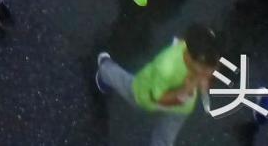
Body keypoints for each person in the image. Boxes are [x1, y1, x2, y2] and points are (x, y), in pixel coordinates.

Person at [93, 24, 225, 146]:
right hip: (146, 94)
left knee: (166, 135)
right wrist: (185, 92)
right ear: (191, 58)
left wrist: (205, 79)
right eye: (204, 69)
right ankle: (105, 70)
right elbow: (158, 98)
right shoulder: (165, 68)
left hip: (181, 108)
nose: (208, 73)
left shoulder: (204, 52)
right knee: (128, 87)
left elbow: (213, 64)